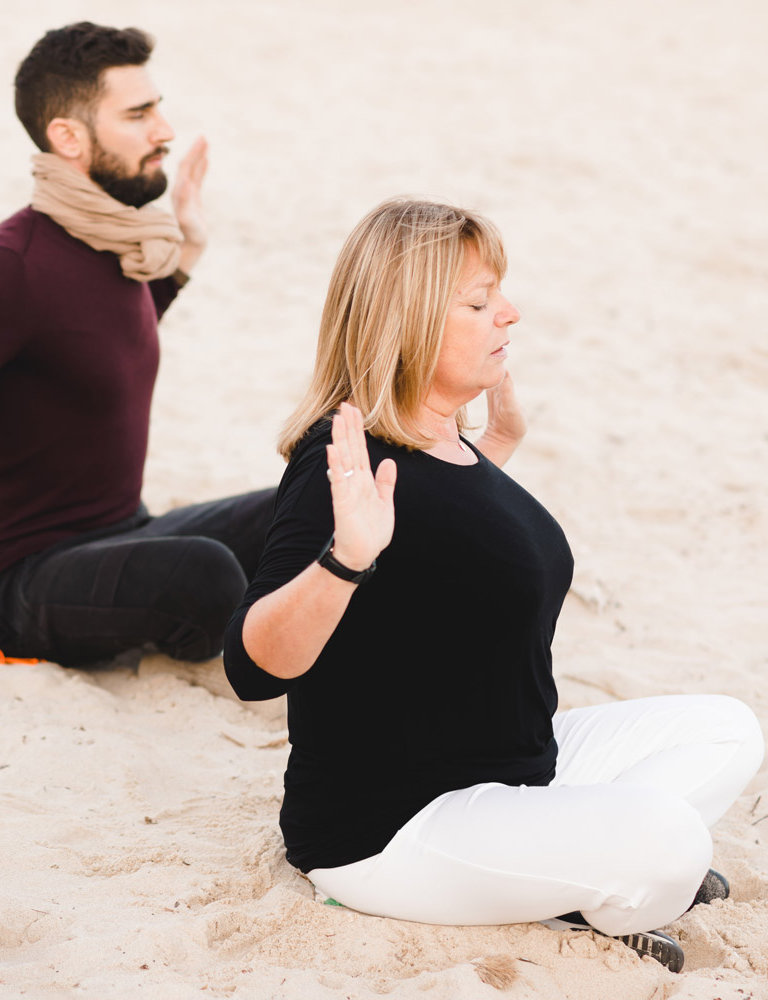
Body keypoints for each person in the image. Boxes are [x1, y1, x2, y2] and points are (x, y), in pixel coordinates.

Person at [222, 198, 763, 972]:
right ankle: (590, 895)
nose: (508, 314)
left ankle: (577, 873)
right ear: (406, 319)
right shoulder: (338, 458)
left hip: (516, 770)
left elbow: (447, 563)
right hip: (396, 825)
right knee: (672, 840)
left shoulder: (450, 438)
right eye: (478, 303)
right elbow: (251, 667)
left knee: (726, 728)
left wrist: (497, 451)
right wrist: (344, 560)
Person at [0, 21, 276, 667]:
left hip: (121, 531)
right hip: (17, 581)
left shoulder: (119, 240)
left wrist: (184, 257)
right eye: (139, 114)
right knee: (205, 575)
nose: (164, 131)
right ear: (68, 136)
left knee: (312, 497)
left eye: (159, 109)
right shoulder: (9, 268)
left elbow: (102, 345)